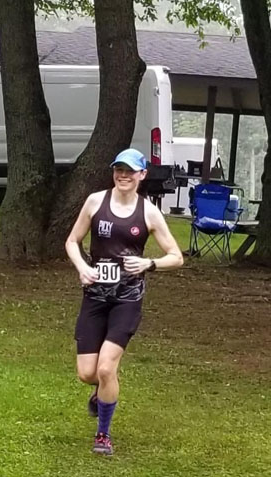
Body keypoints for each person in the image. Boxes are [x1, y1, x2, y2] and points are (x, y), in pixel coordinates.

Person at [65, 148, 183, 456]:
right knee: (87, 373)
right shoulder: (95, 202)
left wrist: (149, 264)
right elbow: (72, 241)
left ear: (142, 175)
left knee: (106, 369)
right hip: (95, 297)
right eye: (119, 169)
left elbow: (176, 257)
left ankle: (103, 434)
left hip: (127, 300)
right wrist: (83, 267)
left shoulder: (149, 213)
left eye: (130, 171)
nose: (123, 175)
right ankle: (101, 390)